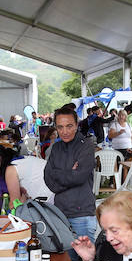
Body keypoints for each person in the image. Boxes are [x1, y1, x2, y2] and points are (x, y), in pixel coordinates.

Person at [43, 107, 98, 250]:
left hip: (82, 214)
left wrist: (59, 174)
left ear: (77, 124)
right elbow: (49, 180)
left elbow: (79, 177)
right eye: (60, 127)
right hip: (60, 213)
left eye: (69, 126)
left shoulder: (86, 146)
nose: (65, 131)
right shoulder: (56, 148)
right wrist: (70, 173)